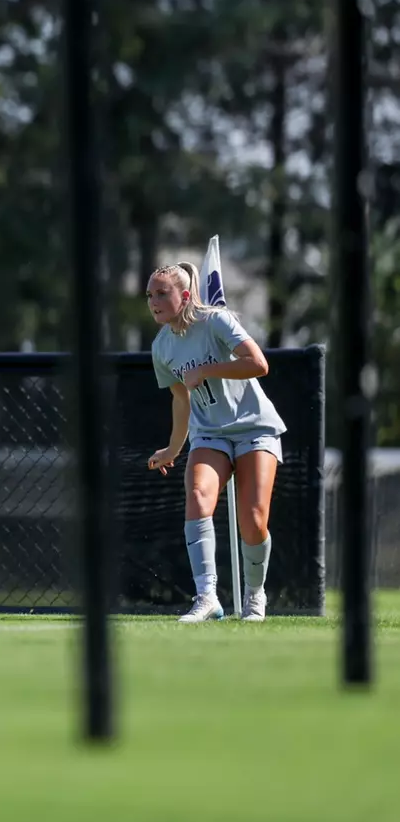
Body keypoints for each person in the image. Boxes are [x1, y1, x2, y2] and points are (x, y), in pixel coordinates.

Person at [145, 261, 285, 623]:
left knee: (253, 520)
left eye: (162, 293)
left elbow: (258, 363)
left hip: (255, 428)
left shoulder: (216, 321)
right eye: (150, 295)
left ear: (186, 295)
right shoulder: (161, 347)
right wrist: (173, 449)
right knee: (197, 496)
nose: (154, 301)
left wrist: (206, 369)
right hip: (210, 434)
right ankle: (207, 597)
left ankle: (255, 596)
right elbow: (181, 400)